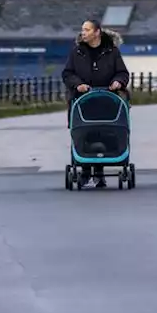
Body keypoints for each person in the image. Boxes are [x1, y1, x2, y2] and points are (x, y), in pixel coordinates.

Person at [61, 19, 130, 187]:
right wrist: (78, 85)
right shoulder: (77, 52)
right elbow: (67, 73)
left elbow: (122, 73)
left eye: (87, 30)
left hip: (107, 101)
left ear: (97, 32)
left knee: (105, 133)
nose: (83, 33)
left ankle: (99, 172)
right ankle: (84, 171)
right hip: (82, 101)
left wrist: (118, 82)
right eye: (82, 30)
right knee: (84, 134)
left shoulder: (112, 52)